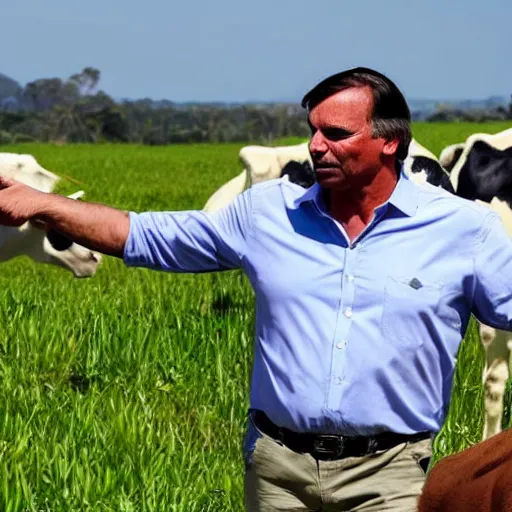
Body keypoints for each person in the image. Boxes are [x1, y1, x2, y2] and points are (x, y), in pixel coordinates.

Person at [0, 66, 511, 511]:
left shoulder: (465, 231)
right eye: (313, 131)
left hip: (391, 477)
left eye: (335, 133)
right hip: (277, 473)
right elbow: (144, 234)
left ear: (389, 142)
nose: (315, 147)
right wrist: (42, 204)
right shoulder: (267, 214)